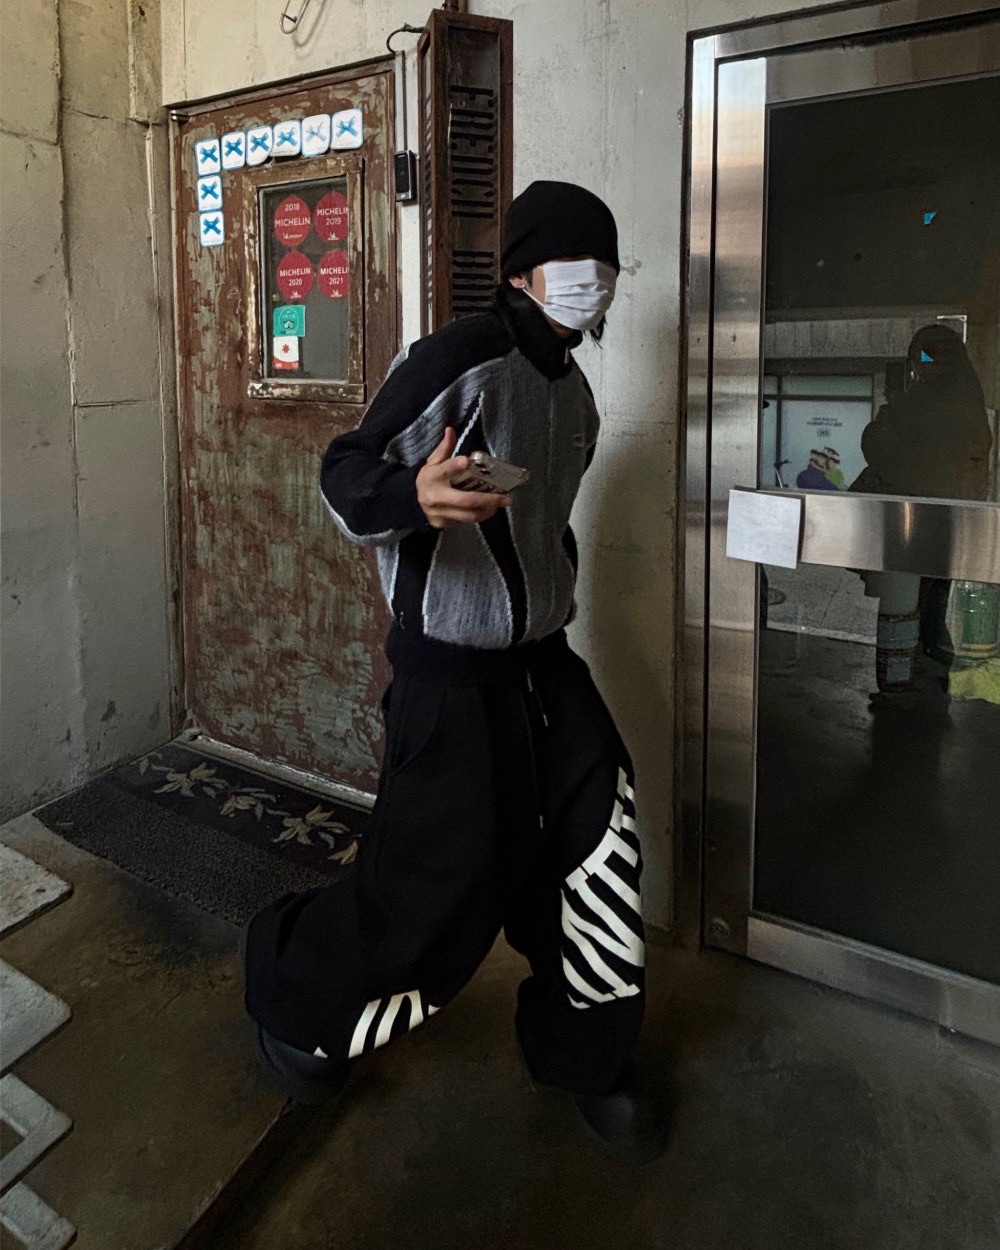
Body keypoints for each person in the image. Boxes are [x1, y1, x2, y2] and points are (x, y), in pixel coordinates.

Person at [243, 181, 663, 1159]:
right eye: (572, 261)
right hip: (451, 679)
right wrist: (413, 496)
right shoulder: (457, 359)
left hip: (545, 668)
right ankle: (299, 1000)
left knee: (598, 841)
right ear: (520, 271)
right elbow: (345, 472)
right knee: (437, 881)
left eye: (605, 264)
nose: (592, 280)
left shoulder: (576, 396)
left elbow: (543, 527)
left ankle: (585, 1054)